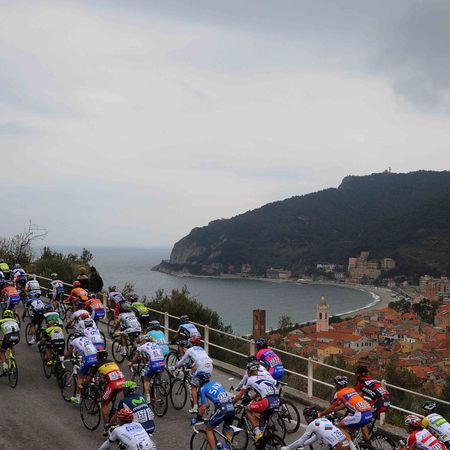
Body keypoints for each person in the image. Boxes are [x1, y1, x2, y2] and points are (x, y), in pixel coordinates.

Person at [232, 361, 280, 442]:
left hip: (267, 402)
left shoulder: (249, 379)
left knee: (247, 409)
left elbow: (239, 395)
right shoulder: (264, 377)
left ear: (250, 370)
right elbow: (259, 392)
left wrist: (232, 403)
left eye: (247, 370)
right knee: (262, 416)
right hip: (277, 400)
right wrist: (250, 398)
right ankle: (264, 437)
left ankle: (257, 431)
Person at [318, 376, 373, 444]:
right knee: (351, 430)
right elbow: (346, 404)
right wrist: (336, 408)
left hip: (360, 415)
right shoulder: (352, 390)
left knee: (340, 426)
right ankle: (366, 445)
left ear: (338, 385)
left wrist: (320, 414)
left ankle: (352, 447)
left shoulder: (339, 393)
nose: (335, 386)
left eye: (335, 385)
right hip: (369, 413)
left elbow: (331, 408)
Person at [172, 334, 213, 414]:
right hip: (210, 367)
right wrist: (193, 365)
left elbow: (182, 361)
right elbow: (200, 359)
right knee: (201, 384)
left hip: (201, 368)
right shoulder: (202, 349)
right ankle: (202, 399)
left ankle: (195, 407)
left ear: (191, 343)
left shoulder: (190, 350)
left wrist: (174, 367)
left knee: (193, 386)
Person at [192, 376, 236, 450]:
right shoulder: (216, 382)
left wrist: (198, 417)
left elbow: (203, 407)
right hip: (231, 407)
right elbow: (219, 399)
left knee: (208, 429)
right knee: (226, 429)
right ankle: (228, 447)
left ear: (201, 382)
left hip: (223, 409)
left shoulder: (202, 389)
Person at [281, 406, 353, 450]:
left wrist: (287, 448)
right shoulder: (325, 420)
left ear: (309, 418)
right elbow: (314, 438)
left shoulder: (312, 424)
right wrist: (302, 444)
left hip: (339, 446)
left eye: (306, 418)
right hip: (347, 443)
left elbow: (300, 441)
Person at [91, 350, 126, 435]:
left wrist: (83, 385)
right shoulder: (112, 362)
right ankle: (115, 412)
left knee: (104, 403)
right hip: (123, 381)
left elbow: (89, 378)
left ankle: (106, 427)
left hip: (113, 384)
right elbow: (110, 374)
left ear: (98, 357)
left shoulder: (97, 365)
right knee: (113, 398)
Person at [128, 337, 166, 405]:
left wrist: (131, 363)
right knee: (153, 374)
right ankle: (157, 383)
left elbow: (136, 357)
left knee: (146, 380)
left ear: (144, 341)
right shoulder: (156, 344)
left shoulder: (142, 346)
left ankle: (148, 399)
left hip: (153, 364)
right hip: (162, 363)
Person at [64, 335, 98, 404]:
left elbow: (69, 353)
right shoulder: (87, 338)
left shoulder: (74, 341)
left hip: (88, 358)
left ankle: (77, 398)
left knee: (80, 376)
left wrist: (63, 359)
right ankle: (94, 384)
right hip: (96, 357)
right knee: (93, 371)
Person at [0, 309, 20, 374]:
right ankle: (12, 358)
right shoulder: (15, 321)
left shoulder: (1, 321)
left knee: (2, 351)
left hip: (8, 337)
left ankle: (5, 366)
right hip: (17, 336)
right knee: (11, 346)